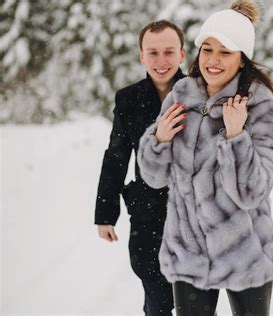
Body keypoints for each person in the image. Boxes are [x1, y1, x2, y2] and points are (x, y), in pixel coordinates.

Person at [137, 1, 273, 314]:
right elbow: (153, 177)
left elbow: (252, 192)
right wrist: (159, 140)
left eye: (225, 52)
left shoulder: (257, 106)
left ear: (242, 59)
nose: (213, 60)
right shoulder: (181, 96)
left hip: (245, 253)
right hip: (188, 252)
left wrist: (236, 137)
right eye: (207, 49)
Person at [94, 20, 185, 316]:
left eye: (169, 52)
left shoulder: (200, 96)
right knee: (157, 301)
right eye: (153, 52)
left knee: (196, 305)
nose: (161, 61)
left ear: (182, 55)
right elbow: (116, 156)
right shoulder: (128, 99)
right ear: (141, 56)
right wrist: (105, 214)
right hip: (148, 216)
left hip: (195, 216)